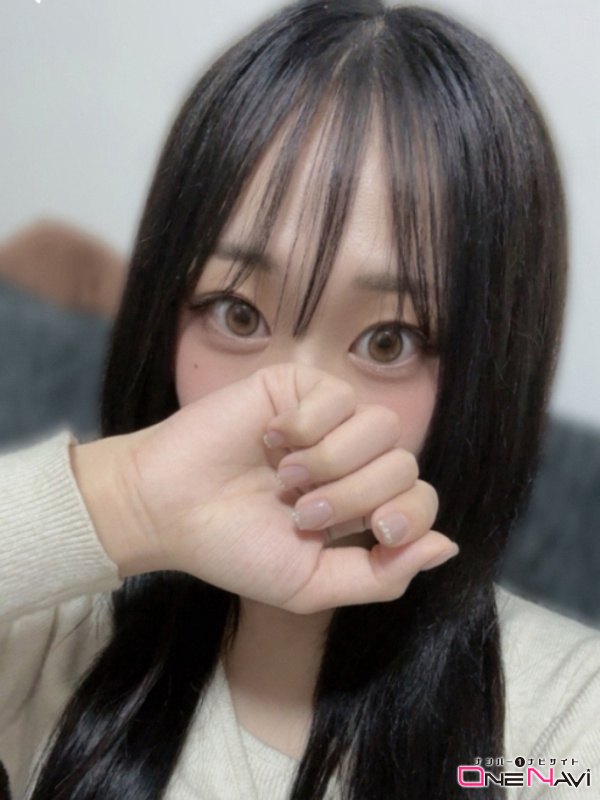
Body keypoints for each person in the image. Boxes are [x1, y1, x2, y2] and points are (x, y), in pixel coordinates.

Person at [1, 1, 599, 798]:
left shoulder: (552, 730)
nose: (289, 413)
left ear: (484, 374)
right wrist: (130, 503)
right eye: (237, 314)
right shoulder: (51, 637)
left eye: (387, 340)